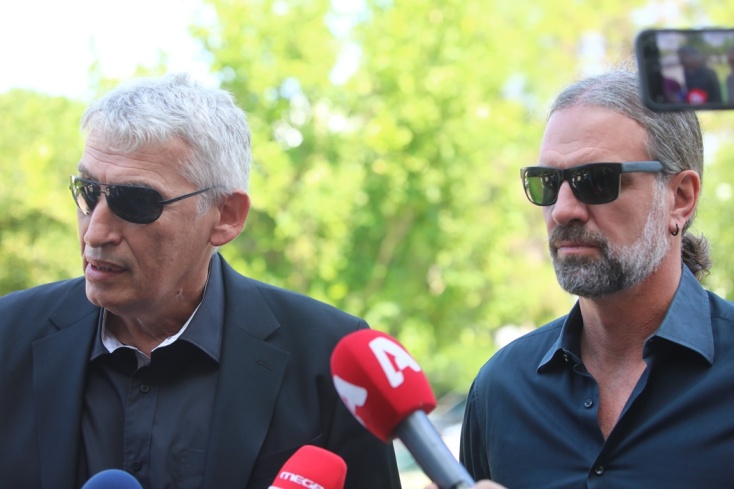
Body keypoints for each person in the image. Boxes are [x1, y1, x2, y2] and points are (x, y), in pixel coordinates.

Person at [0, 73, 401, 489]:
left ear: (226, 216)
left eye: (135, 202)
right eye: (87, 192)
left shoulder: (331, 360)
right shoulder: (7, 336)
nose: (96, 232)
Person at [461, 70, 734, 487]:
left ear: (680, 198)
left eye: (596, 180)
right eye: (547, 183)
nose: (562, 210)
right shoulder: (501, 389)